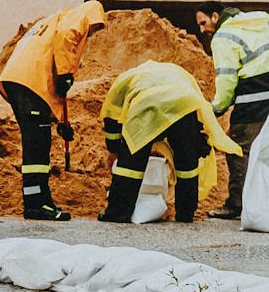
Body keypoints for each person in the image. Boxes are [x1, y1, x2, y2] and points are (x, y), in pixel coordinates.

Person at [0, 0, 106, 221]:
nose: (92, 33)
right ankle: (38, 205)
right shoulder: (77, 17)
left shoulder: (51, 21)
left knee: (35, 140)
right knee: (37, 144)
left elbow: (51, 86)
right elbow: (66, 37)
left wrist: (61, 123)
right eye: (95, 28)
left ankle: (35, 201)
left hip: (19, 81)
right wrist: (66, 73)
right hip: (30, 83)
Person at [99, 60, 243, 224]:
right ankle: (185, 213)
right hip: (183, 104)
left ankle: (118, 213)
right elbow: (197, 102)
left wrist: (114, 150)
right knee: (187, 163)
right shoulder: (179, 73)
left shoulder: (125, 79)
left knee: (130, 165)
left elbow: (111, 117)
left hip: (147, 103)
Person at [196, 4, 269, 219]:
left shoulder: (222, 36)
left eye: (203, 22)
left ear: (215, 16)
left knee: (239, 147)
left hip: (256, 94)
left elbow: (226, 77)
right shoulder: (259, 17)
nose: (202, 30)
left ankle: (238, 204)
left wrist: (217, 107)